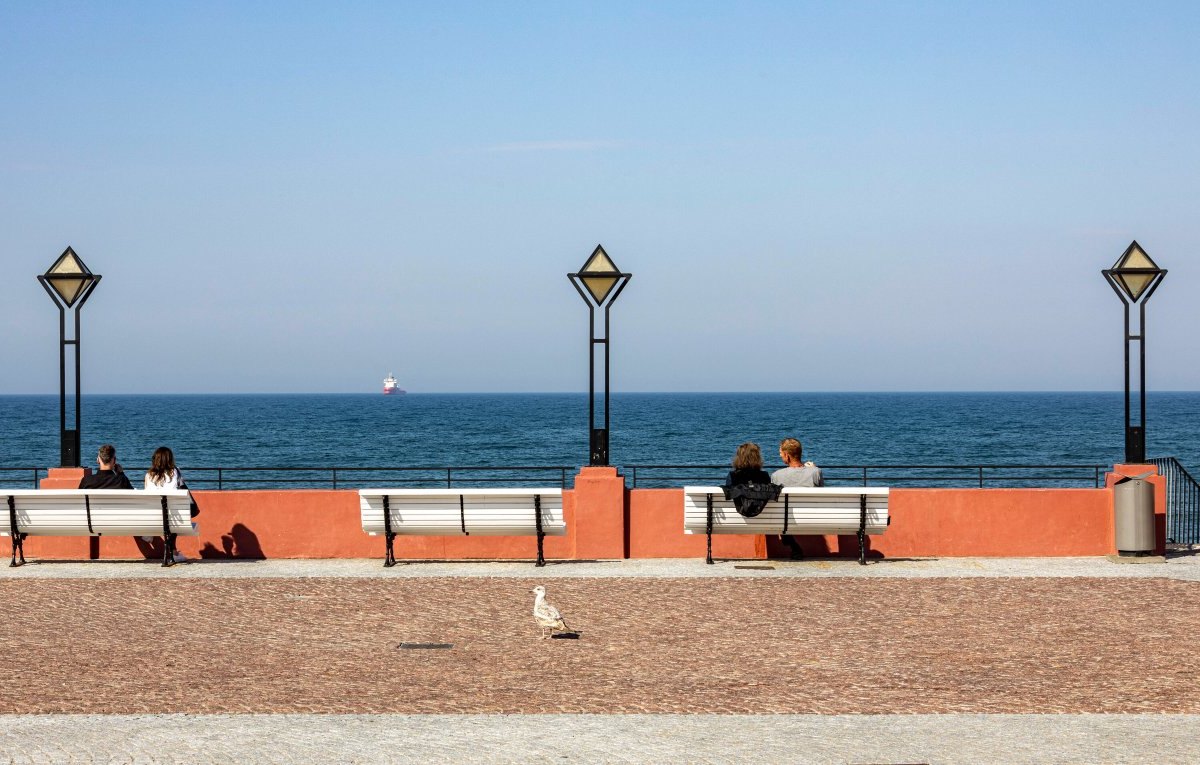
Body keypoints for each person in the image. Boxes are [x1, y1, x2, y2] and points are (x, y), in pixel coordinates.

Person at [771, 438, 823, 558]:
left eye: (781, 453)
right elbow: (821, 492)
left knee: (781, 513)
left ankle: (792, 545)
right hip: (814, 517)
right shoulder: (816, 472)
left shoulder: (776, 475)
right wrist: (813, 469)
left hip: (786, 520)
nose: (780, 456)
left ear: (787, 456)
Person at [722, 442, 780, 518]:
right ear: (757, 458)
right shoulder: (764, 475)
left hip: (734, 519)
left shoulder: (733, 475)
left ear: (739, 458)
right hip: (763, 519)